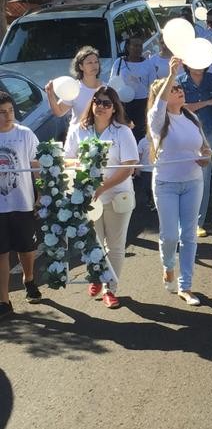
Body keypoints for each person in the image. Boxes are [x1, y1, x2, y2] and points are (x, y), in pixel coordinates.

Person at [65, 85, 139, 308]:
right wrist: (84, 174)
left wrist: (102, 186)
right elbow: (67, 158)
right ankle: (96, 275)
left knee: (115, 246)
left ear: (115, 108)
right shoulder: (79, 129)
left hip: (118, 195)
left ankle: (110, 288)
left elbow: (128, 167)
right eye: (97, 101)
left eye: (107, 103)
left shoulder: (123, 131)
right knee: (93, 243)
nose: (101, 106)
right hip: (88, 197)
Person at [146, 61, 210, 305]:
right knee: (170, 235)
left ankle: (186, 286)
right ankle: (168, 266)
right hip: (166, 184)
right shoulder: (157, 119)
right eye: (174, 89)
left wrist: (205, 157)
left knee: (189, 235)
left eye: (179, 88)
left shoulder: (191, 117)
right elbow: (160, 103)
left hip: (193, 182)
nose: (179, 90)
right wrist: (171, 74)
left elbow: (204, 148)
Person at [0, 88, 42, 319]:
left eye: (10, 111)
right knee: (1, 253)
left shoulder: (25, 134)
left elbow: (36, 164)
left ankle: (29, 280)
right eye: (2, 112)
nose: (8, 116)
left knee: (26, 248)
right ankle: (4, 300)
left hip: (22, 202)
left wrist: (40, 193)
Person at [176, 62, 212, 237]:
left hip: (210, 131)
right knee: (185, 175)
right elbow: (182, 107)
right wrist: (210, 101)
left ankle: (198, 222)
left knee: (204, 177)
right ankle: (183, 221)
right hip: (186, 132)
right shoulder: (179, 81)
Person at [45, 45, 102, 133]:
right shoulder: (74, 88)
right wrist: (50, 93)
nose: (94, 65)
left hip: (101, 138)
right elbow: (59, 112)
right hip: (78, 138)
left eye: (96, 62)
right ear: (81, 67)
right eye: (89, 63)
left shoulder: (106, 88)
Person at [111, 34, 156, 138]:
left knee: (140, 133)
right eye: (135, 45)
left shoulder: (148, 64)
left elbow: (153, 86)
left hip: (142, 104)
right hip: (123, 105)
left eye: (140, 46)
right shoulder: (119, 63)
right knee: (123, 132)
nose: (138, 49)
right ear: (128, 47)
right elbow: (112, 82)